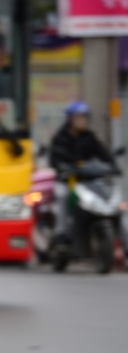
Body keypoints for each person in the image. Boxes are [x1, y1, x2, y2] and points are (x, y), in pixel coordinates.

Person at [48, 100, 116, 245]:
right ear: (70, 119)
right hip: (67, 180)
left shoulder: (90, 137)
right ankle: (62, 235)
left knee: (112, 199)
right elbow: (54, 159)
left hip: (87, 181)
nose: (83, 121)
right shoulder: (60, 137)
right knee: (63, 198)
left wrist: (112, 165)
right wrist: (62, 166)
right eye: (79, 117)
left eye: (85, 117)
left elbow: (103, 154)